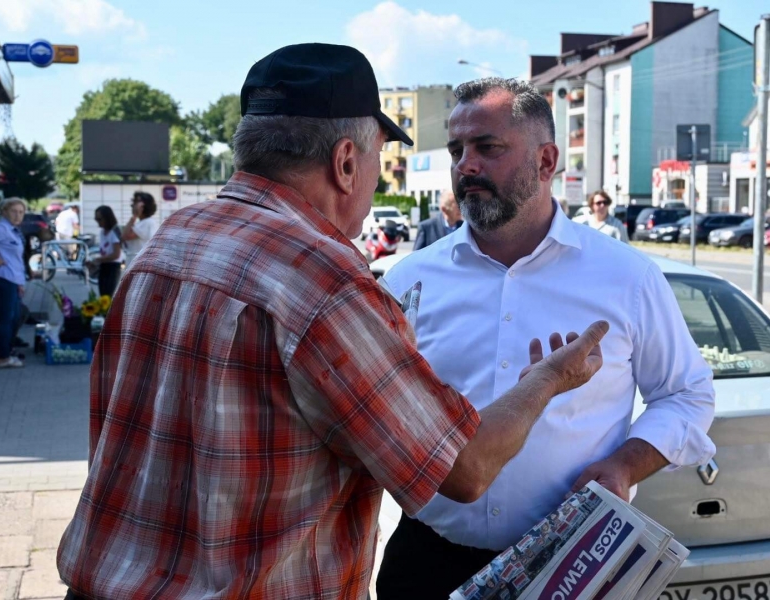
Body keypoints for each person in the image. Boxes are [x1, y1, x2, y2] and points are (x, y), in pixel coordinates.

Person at [56, 44, 609, 600]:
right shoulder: (322, 280)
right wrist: (549, 379)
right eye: (377, 158)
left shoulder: (170, 242)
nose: (375, 182)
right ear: (345, 162)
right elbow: (465, 468)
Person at [376, 78, 716, 599]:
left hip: (570, 565)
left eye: (488, 147)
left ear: (546, 160)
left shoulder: (626, 277)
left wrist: (624, 467)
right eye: (456, 150)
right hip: (427, 562)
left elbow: (687, 394)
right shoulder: (410, 279)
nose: (466, 166)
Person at [0, 198, 29, 368]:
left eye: (21, 212)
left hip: (13, 279)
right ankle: (3, 356)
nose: (17, 215)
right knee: (7, 318)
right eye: (13, 211)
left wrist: (20, 283)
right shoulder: (2, 229)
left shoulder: (13, 231)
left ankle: (5, 350)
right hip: (4, 278)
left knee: (14, 316)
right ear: (4, 212)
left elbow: (16, 260)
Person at [85, 206, 123, 298]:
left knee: (108, 295)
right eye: (96, 219)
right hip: (104, 265)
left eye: (99, 219)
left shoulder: (114, 232)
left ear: (107, 218)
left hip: (113, 267)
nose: (98, 222)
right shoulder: (102, 232)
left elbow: (116, 255)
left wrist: (98, 259)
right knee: (103, 295)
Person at [121, 191, 158, 263]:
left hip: (139, 262)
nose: (132, 205)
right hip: (134, 261)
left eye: (135, 202)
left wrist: (135, 215)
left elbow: (125, 236)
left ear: (143, 206)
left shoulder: (147, 222)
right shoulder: (141, 223)